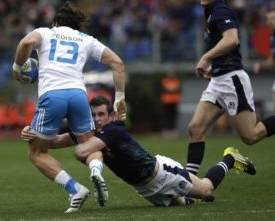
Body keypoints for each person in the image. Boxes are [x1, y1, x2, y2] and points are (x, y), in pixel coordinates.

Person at [22, 96, 256, 207]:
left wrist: (67, 122)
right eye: (93, 115)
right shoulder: (88, 133)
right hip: (143, 188)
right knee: (180, 205)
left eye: (101, 114)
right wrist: (34, 134)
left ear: (110, 115)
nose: (97, 119)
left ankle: (229, 158)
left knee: (205, 190)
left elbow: (84, 149)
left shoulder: (114, 129)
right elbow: (52, 143)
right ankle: (182, 198)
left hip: (163, 173)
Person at [12, 2, 126, 213]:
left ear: (56, 22)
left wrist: (18, 67)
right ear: (76, 26)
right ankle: (95, 170)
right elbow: (118, 63)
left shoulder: (45, 32)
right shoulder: (86, 39)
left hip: (52, 95)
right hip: (78, 95)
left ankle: (75, 189)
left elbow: (26, 42)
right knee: (90, 144)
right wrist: (119, 97)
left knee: (36, 152)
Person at [185, 0, 275, 175]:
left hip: (232, 80)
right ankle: (190, 185)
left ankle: (235, 159)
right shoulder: (211, 11)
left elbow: (232, 40)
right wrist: (216, 66)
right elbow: (224, 45)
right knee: (194, 129)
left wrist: (205, 57)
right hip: (218, 80)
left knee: (250, 136)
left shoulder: (220, 10)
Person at [253, 7, 275, 113]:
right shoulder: (272, 37)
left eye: (273, 18)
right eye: (267, 19)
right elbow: (273, 60)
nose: (269, 21)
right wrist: (261, 66)